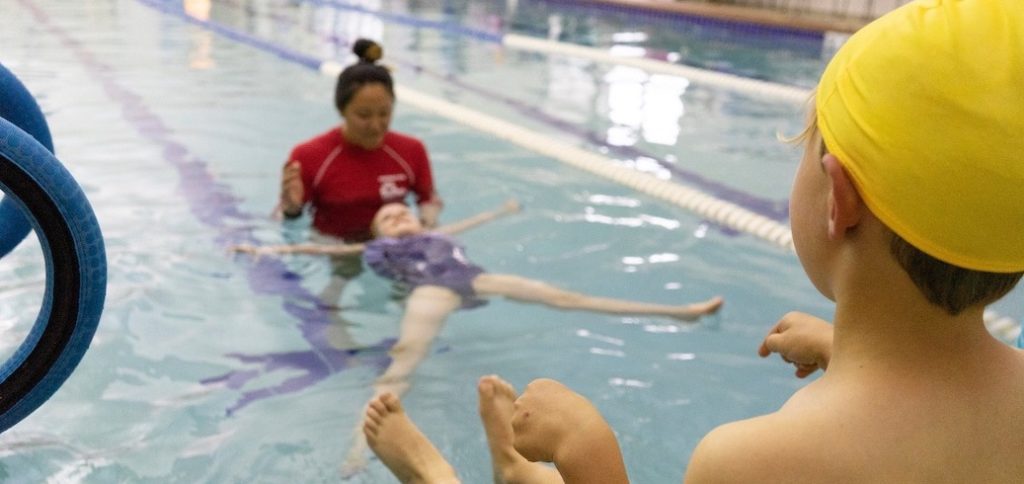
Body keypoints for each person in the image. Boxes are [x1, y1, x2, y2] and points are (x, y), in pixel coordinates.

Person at [356, 0, 1024, 482]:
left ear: (838, 201)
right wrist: (844, 350)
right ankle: (516, 469)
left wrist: (590, 448)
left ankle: (432, 471)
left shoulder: (751, 463)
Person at [235, 200, 723, 474]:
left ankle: (676, 313)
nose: (398, 218)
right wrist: (265, 249)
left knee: (560, 295)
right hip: (432, 291)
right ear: (377, 230)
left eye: (402, 213)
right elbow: (310, 248)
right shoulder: (378, 246)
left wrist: (503, 210)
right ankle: (356, 446)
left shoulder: (437, 232)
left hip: (473, 278)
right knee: (407, 354)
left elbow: (474, 220)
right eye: (387, 218)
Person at [278, 38, 443, 305]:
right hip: (334, 244)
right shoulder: (310, 155)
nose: (376, 125)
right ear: (342, 110)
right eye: (364, 115)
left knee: (417, 292)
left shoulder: (411, 150)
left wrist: (427, 225)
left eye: (384, 113)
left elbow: (429, 199)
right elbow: (290, 224)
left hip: (393, 241)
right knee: (334, 294)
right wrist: (291, 209)